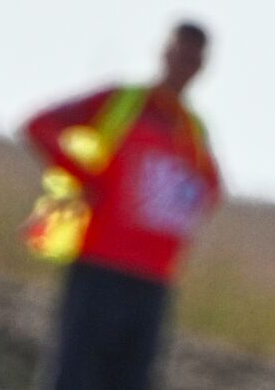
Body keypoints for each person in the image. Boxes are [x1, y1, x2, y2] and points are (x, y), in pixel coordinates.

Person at [23, 21, 222, 390]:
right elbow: (40, 125)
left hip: (154, 278)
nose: (183, 64)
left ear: (200, 67)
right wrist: (88, 179)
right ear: (165, 52)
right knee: (74, 376)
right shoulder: (123, 101)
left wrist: (176, 205)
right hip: (100, 264)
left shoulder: (191, 129)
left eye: (192, 58)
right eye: (178, 52)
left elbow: (211, 189)